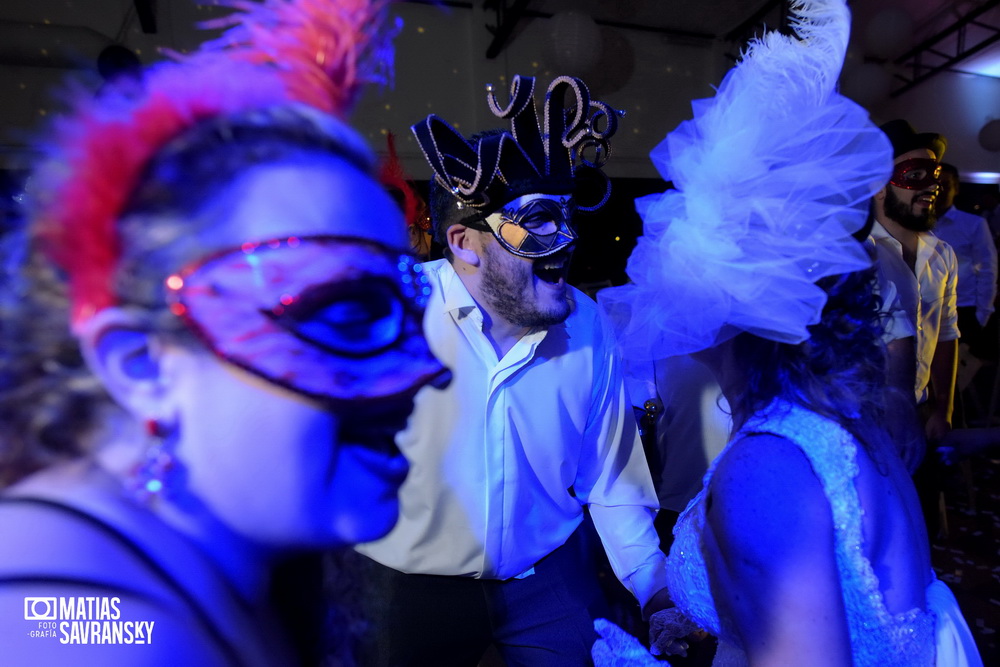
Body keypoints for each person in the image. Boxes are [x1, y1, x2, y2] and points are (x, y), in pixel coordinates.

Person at [0, 1, 447, 664]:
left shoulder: (202, 565)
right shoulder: (84, 622)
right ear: (142, 364)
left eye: (409, 309)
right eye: (347, 313)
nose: (429, 368)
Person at [594, 0, 982, 665]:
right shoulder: (834, 423)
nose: (656, 266)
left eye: (685, 241)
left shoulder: (768, 469)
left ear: (742, 293)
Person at [353, 74, 671, 664]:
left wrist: (657, 594)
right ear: (464, 243)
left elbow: (611, 481)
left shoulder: (588, 327)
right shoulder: (390, 316)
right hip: (406, 588)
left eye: (570, 217)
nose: (566, 241)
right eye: (541, 221)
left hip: (548, 583)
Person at [933, 163, 998, 362]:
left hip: (963, 307)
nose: (942, 190)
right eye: (938, 185)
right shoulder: (919, 222)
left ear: (956, 188)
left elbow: (987, 268)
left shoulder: (973, 224)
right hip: (928, 308)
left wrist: (982, 314)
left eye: (947, 184)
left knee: (962, 372)